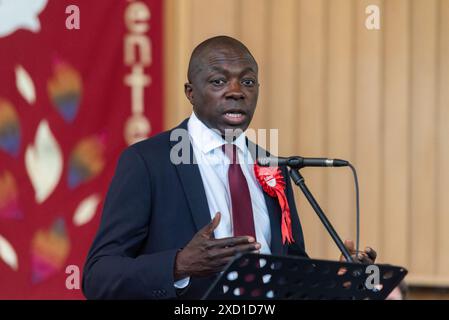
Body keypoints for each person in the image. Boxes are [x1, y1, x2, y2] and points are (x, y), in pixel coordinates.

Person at [82, 35, 376, 300]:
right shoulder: (149, 162)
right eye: (218, 81)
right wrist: (179, 265)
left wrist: (335, 282)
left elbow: (290, 271)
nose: (236, 92)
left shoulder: (273, 167)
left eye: (247, 82)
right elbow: (98, 276)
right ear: (190, 92)